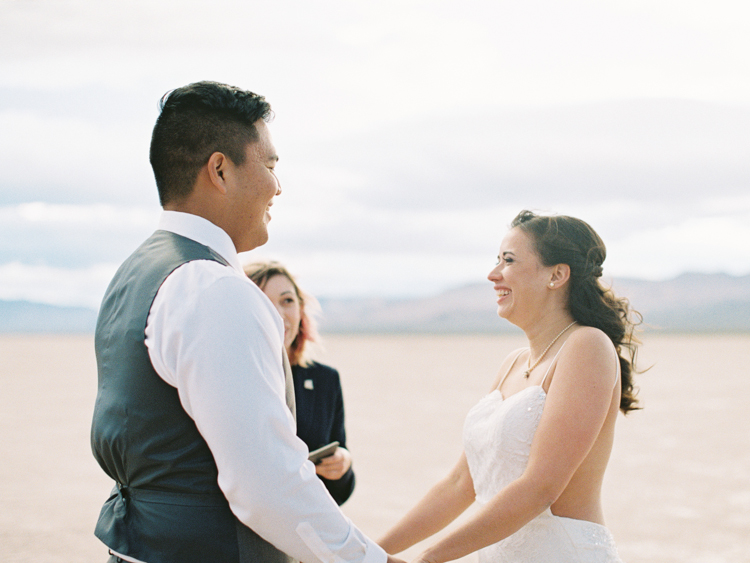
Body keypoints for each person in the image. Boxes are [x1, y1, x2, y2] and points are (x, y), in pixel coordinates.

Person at [90, 81, 404, 563]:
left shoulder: (135, 272)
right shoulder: (215, 290)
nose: (278, 186)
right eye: (271, 165)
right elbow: (267, 484)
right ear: (220, 169)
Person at [378, 210, 641, 563]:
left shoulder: (587, 346)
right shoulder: (513, 364)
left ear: (556, 275)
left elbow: (540, 487)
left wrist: (427, 559)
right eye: (497, 260)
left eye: (509, 260)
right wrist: (366, 553)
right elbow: (459, 485)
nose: (493, 273)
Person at [245, 260, 356, 505]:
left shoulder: (325, 380)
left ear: (301, 309)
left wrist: (342, 464)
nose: (278, 313)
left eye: (287, 301)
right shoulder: (230, 377)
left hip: (305, 528)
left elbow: (339, 493)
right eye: (262, 301)